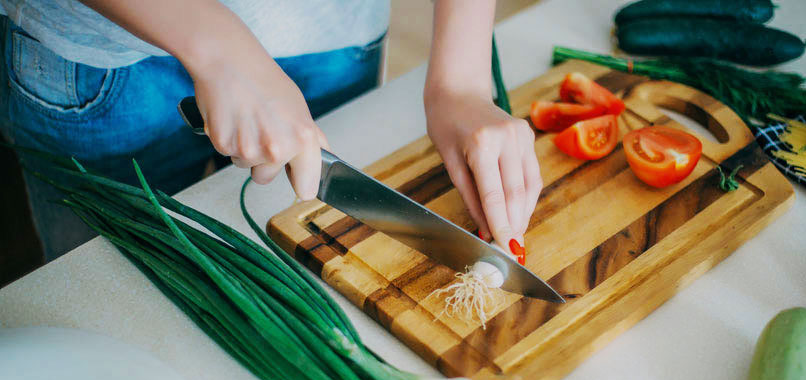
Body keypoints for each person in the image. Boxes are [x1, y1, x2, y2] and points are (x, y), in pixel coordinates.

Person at [0, 0, 541, 263]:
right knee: (105, 293)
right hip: (102, 57)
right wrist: (215, 44)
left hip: (330, 37)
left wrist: (462, 80)